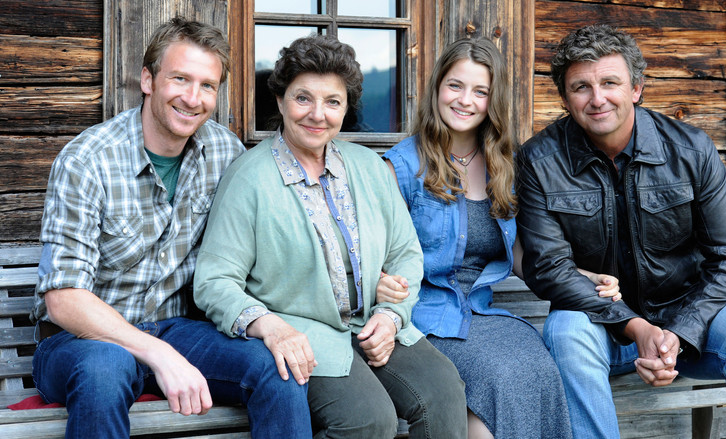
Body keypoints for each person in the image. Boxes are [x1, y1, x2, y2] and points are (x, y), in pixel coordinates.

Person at [31, 17, 311, 439]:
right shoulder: (87, 160)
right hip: (80, 342)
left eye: (207, 85)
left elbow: (271, 239)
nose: (192, 98)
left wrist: (360, 273)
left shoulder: (225, 153)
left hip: (177, 329)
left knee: (277, 368)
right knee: (105, 369)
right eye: (180, 79)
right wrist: (159, 354)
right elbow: (64, 300)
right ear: (148, 80)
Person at [193, 34, 468, 439]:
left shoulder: (369, 167)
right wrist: (269, 326)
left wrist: (391, 316)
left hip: (374, 324)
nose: (317, 114)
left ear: (345, 108)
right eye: (303, 98)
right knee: (368, 419)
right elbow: (214, 281)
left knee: (444, 392)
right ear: (281, 100)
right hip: (302, 334)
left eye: (333, 102)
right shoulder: (248, 178)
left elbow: (406, 254)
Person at [516, 24, 726, 438]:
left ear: (636, 88)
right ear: (565, 99)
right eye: (581, 87)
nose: (597, 98)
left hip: (690, 318)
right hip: (600, 325)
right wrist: (635, 327)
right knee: (565, 333)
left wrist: (679, 332)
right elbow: (548, 267)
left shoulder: (691, 150)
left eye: (610, 82)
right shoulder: (538, 160)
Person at [382, 37, 621, 439]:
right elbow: (377, 259)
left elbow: (519, 254)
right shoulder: (401, 167)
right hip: (422, 320)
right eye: (455, 86)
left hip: (482, 314)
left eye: (480, 91)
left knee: (540, 369)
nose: (465, 100)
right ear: (437, 88)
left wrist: (581, 277)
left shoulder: (504, 166)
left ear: (493, 101)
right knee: (500, 378)